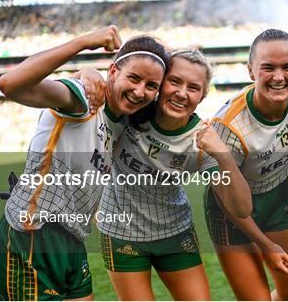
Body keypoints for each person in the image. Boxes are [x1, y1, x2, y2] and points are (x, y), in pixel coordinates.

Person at [0, 26, 169, 300]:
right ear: (113, 71)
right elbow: (9, 84)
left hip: (73, 240)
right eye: (133, 78)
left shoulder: (123, 122)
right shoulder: (83, 99)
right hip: (33, 234)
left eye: (151, 86)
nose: (139, 91)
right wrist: (83, 43)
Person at [96, 49, 252, 300]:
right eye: (175, 82)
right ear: (160, 84)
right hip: (121, 232)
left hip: (175, 232)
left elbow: (242, 208)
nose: (181, 93)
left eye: (193, 87)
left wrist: (223, 155)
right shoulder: (130, 112)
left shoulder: (203, 140)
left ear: (202, 96)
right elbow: (106, 83)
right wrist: (87, 72)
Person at [203, 29, 288, 300]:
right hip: (230, 212)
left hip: (276, 199)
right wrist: (266, 244)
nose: (279, 77)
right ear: (250, 70)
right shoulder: (228, 127)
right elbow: (227, 198)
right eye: (268, 67)